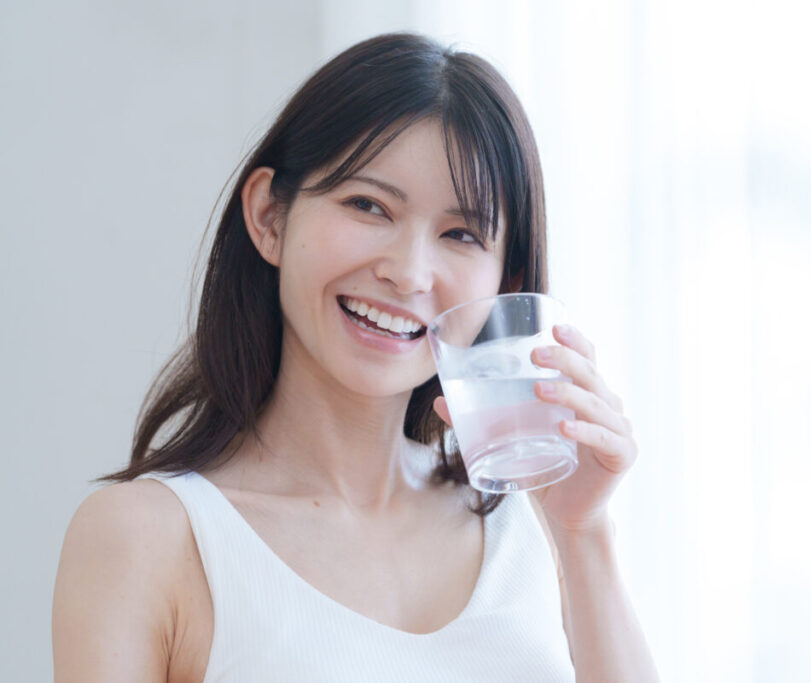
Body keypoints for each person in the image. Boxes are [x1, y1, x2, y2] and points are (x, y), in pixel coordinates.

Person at [52, 32, 659, 682]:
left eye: (460, 234)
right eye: (368, 205)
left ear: (504, 286)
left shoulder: (528, 528)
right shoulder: (148, 538)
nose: (408, 272)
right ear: (269, 216)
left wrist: (582, 531)